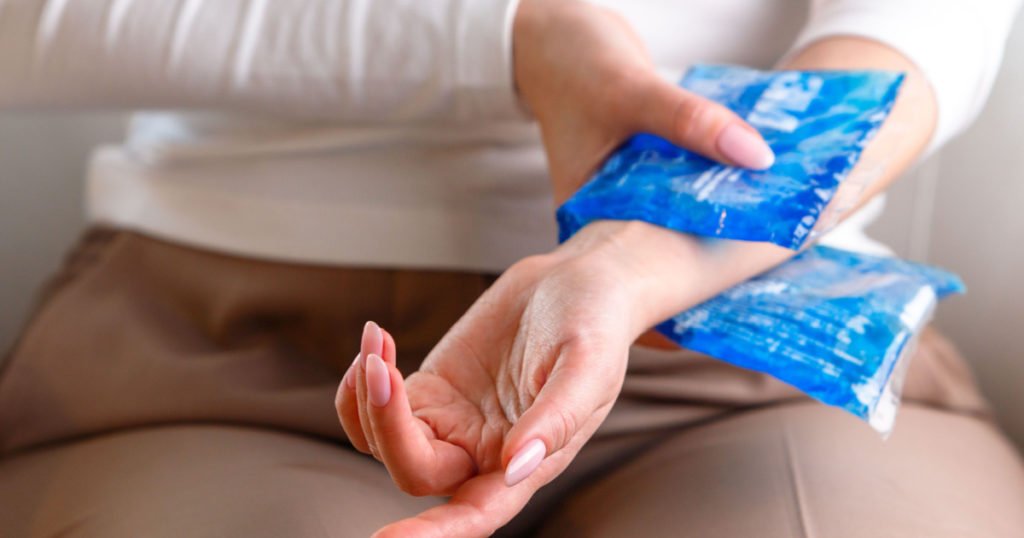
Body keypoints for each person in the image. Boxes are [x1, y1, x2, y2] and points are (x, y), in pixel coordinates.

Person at [1, 0, 1023, 536]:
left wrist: (628, 258)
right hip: (222, 354)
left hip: (752, 348)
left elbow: (917, 28)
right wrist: (504, 39)